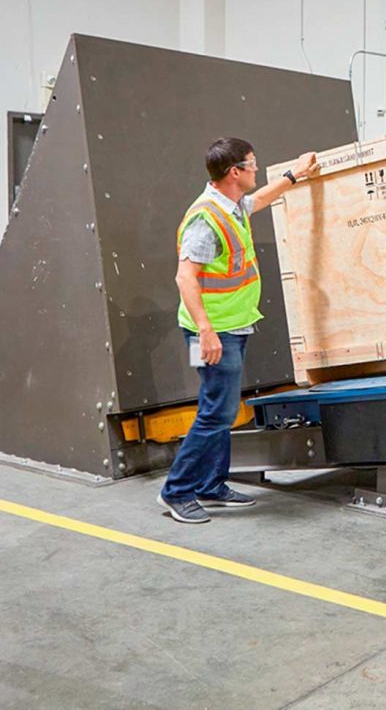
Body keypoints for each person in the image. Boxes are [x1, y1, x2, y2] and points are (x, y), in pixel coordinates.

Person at [158, 137, 318, 524]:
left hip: (232, 326)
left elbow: (258, 201)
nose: (256, 169)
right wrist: (207, 332)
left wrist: (294, 175)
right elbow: (185, 278)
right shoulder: (205, 218)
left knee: (219, 407)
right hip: (213, 333)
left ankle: (212, 484)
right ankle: (177, 490)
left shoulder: (230, 206)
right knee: (217, 411)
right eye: (252, 165)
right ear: (235, 172)